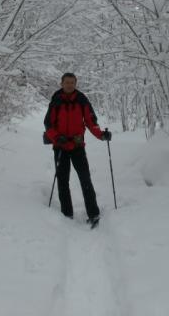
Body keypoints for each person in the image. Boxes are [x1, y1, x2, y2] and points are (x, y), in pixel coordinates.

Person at [44, 73, 112, 226]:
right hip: (60, 146)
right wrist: (56, 137)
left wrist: (101, 135)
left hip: (77, 146)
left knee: (85, 179)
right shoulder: (56, 100)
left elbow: (90, 121)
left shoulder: (82, 100)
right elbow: (48, 124)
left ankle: (93, 214)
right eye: (67, 82)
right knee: (62, 181)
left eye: (72, 82)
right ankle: (66, 214)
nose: (69, 85)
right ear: (61, 83)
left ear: (76, 83)